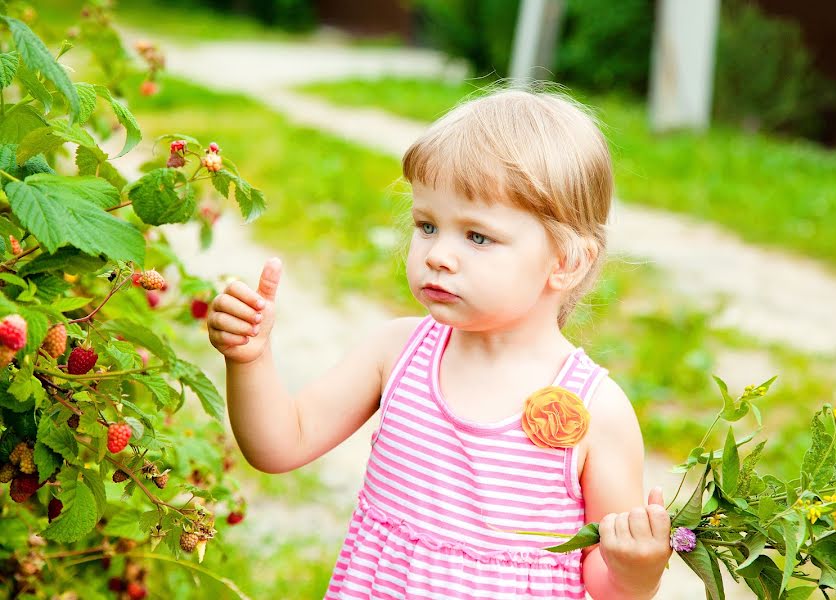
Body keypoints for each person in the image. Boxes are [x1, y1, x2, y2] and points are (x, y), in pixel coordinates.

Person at [207, 86, 673, 599]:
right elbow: (279, 444)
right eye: (427, 225)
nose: (438, 255)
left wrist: (636, 570)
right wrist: (249, 358)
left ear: (566, 262)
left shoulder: (599, 412)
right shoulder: (398, 353)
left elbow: (608, 587)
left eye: (477, 236)